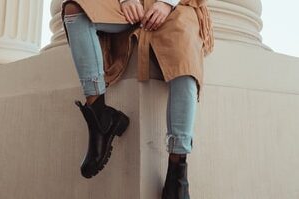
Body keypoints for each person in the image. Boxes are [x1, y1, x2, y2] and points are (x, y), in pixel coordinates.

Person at [61, 0, 213, 198]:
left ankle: (178, 166)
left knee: (185, 61)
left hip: (178, 7)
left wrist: (167, 3)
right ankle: (99, 114)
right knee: (74, 9)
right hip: (131, 6)